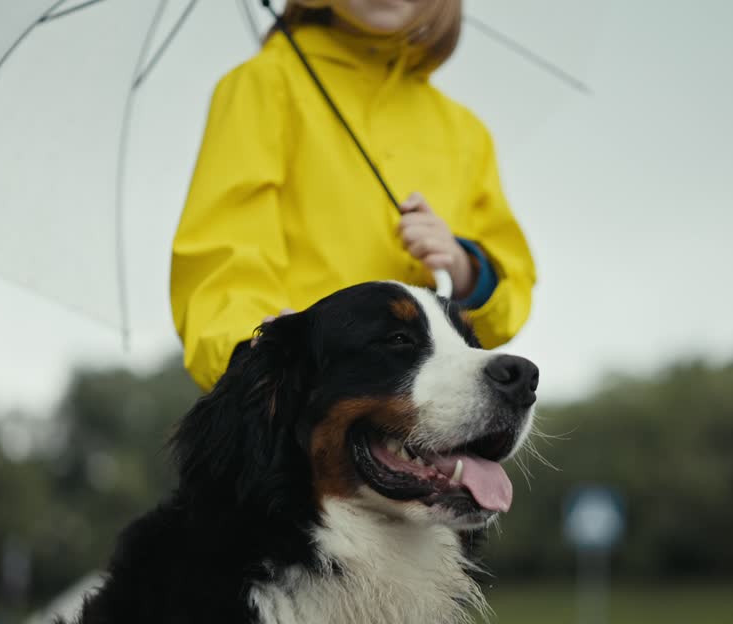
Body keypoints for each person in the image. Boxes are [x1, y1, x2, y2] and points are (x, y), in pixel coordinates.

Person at [170, 0, 535, 391]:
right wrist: (257, 350)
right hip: (306, 398)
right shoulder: (263, 85)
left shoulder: (465, 132)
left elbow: (512, 289)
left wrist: (463, 266)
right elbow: (224, 256)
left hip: (429, 405)